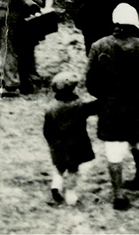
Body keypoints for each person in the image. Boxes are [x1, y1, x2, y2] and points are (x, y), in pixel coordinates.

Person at [86, 4, 139, 211]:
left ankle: (118, 193)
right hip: (138, 107)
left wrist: (106, 97)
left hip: (110, 109)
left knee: (114, 151)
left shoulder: (98, 46)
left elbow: (91, 83)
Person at [43, 71, 97, 206]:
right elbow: (94, 108)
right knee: (73, 170)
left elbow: (47, 130)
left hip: (58, 144)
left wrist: (52, 143)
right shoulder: (79, 106)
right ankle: (71, 196)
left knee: (59, 168)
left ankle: (56, 186)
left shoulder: (51, 108)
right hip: (76, 144)